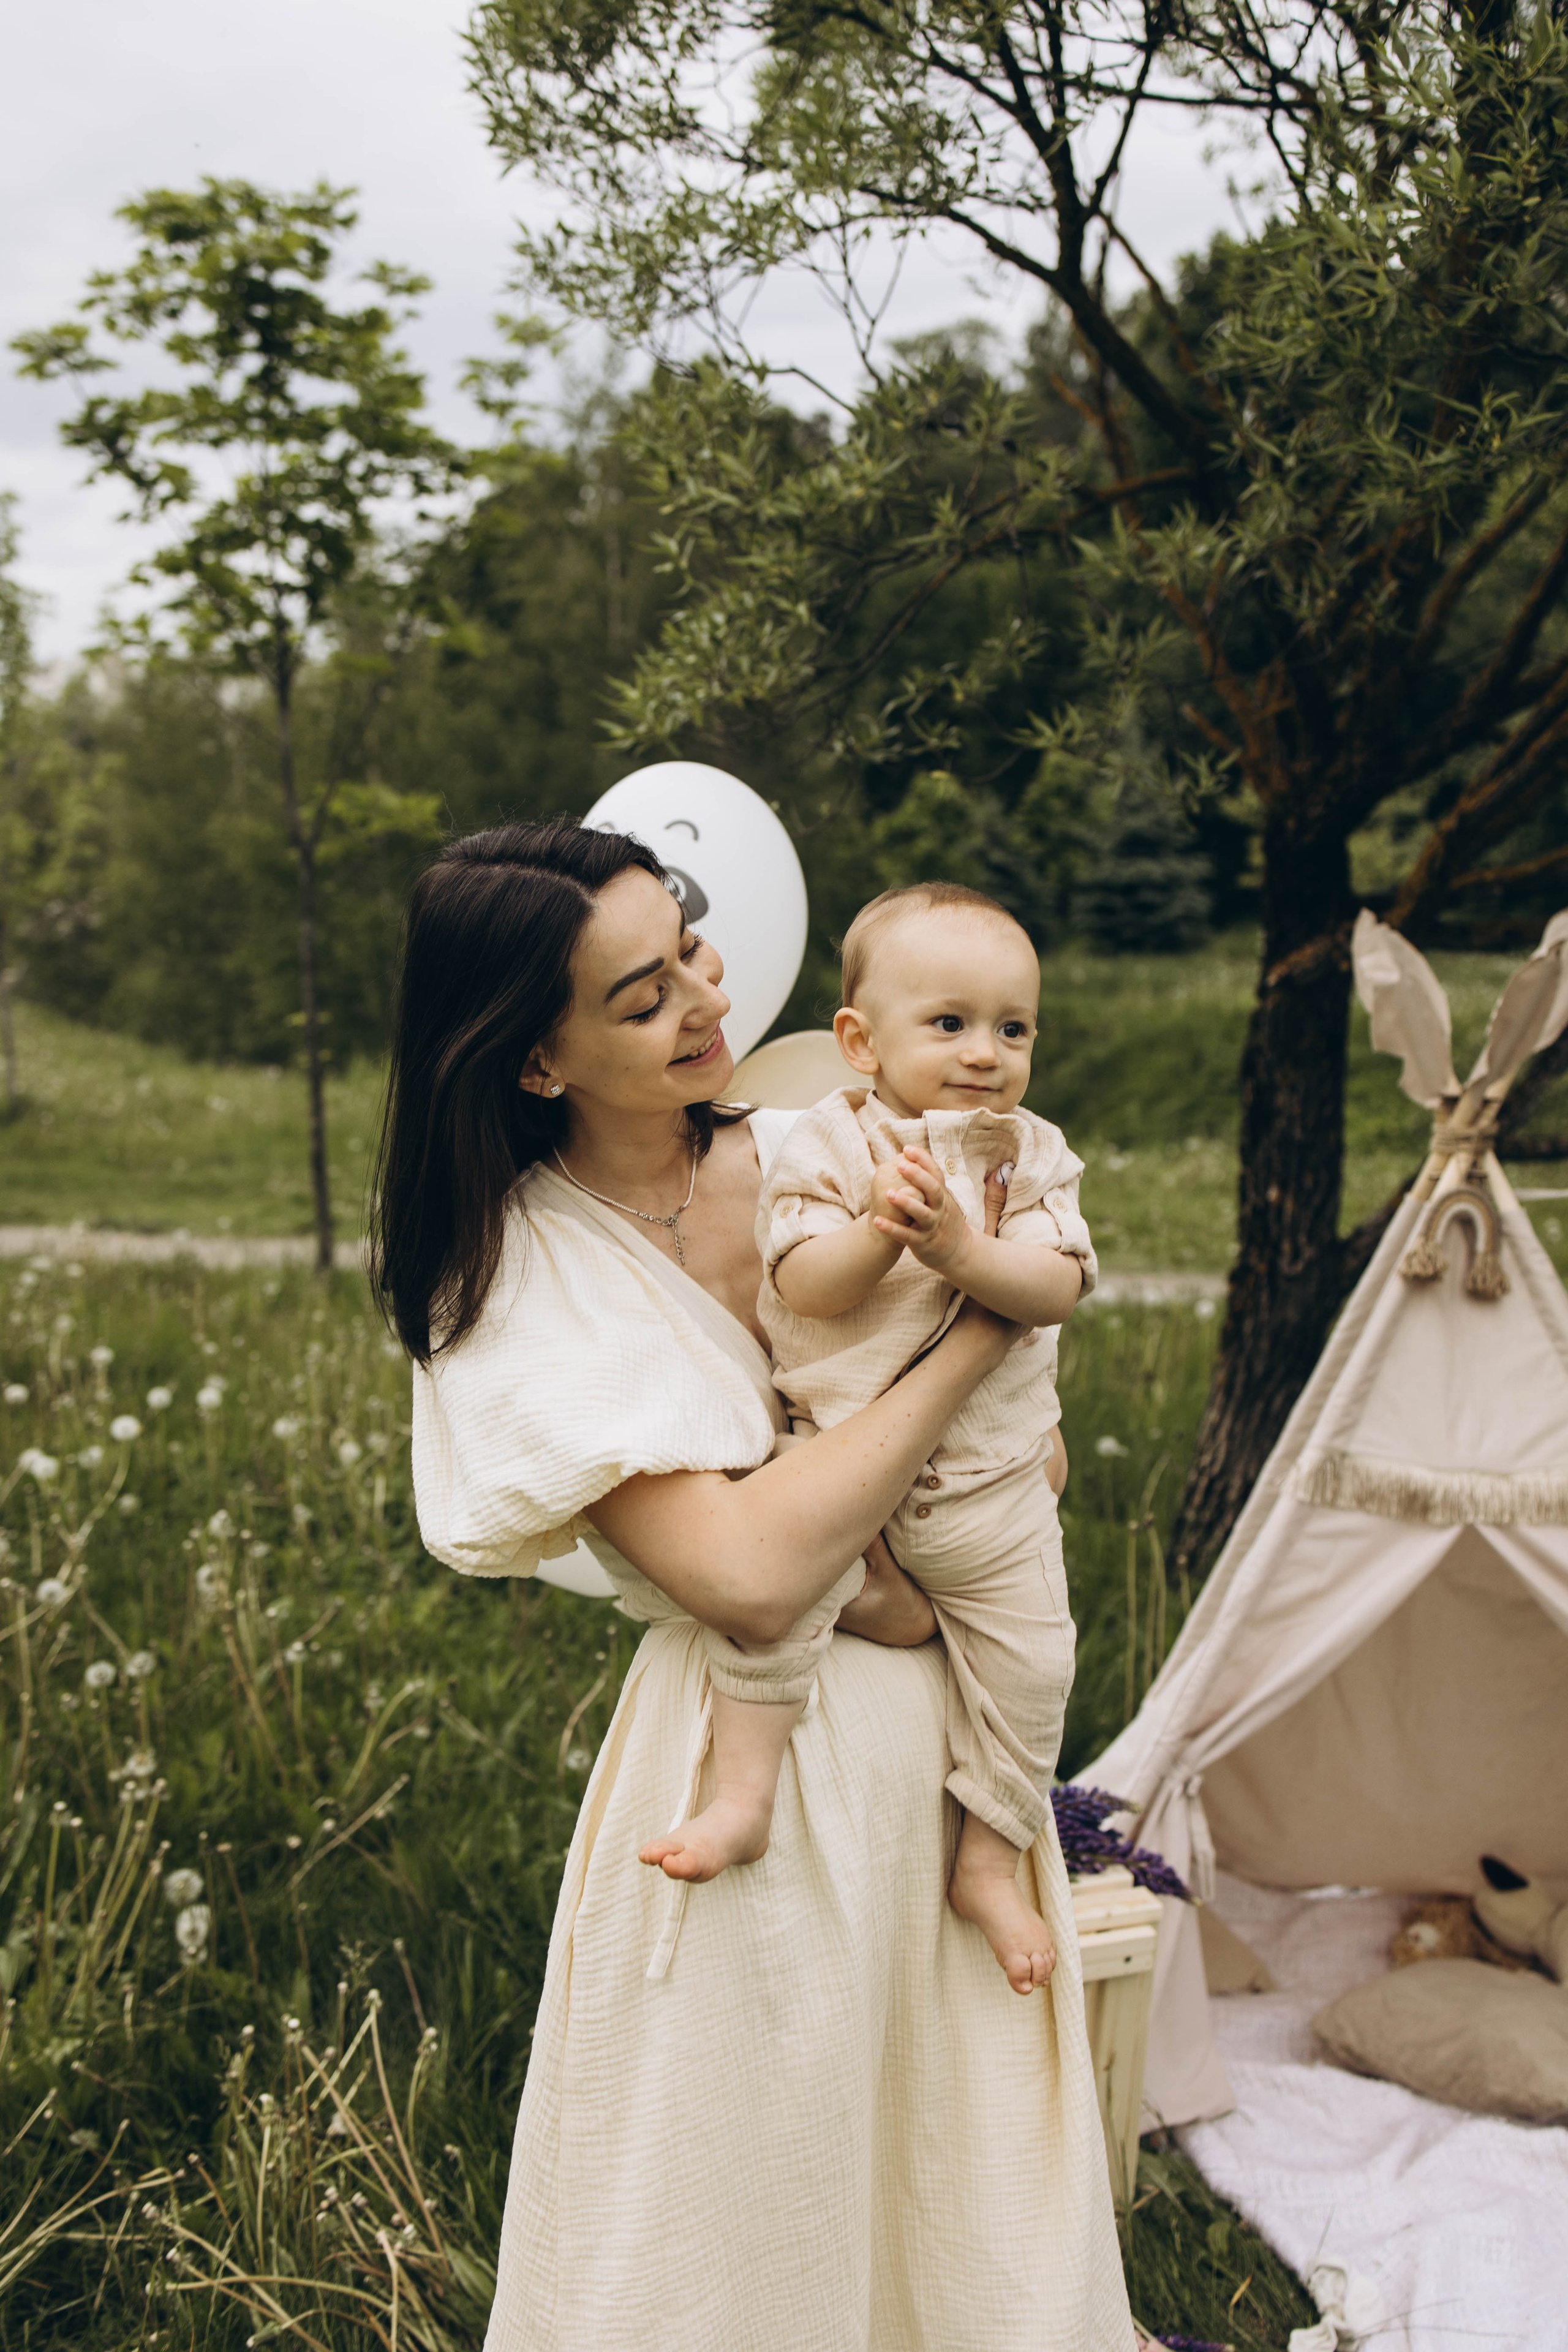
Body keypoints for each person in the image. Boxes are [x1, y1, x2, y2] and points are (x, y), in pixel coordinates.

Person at [374, 820, 1136, 2352]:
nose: (707, 1002)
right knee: (744, 2222)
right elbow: (743, 1572)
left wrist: (878, 1547)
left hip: (947, 1769)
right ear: (536, 1060)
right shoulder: (514, 1279)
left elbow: (1034, 1468)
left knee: (953, 2203)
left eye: (689, 952)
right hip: (756, 1786)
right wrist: (977, 1336)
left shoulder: (822, 1138)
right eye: (643, 998)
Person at [641, 882, 1091, 2002]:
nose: (985, 1052)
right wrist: (884, 1235)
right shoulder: (831, 1145)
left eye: (1014, 1028)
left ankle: (987, 1859)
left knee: (1038, 1667)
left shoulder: (1032, 1154)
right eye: (950, 1023)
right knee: (774, 1618)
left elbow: (1056, 1284)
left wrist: (965, 1255)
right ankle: (743, 1797)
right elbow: (805, 1283)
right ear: (861, 1042)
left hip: (992, 1490)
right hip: (840, 1465)